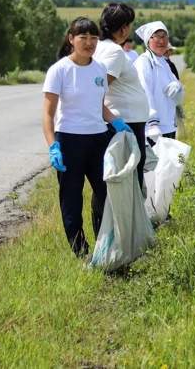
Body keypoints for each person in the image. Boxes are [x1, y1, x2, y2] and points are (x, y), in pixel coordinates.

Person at [42, 17, 133, 257]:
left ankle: (105, 246)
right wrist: (54, 147)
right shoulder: (59, 70)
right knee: (71, 199)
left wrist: (116, 121)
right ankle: (81, 252)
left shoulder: (99, 69)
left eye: (93, 38)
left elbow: (100, 105)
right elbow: (48, 114)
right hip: (69, 140)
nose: (89, 43)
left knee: (106, 194)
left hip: (98, 140)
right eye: (83, 37)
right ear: (71, 39)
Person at [93, 2, 149, 190]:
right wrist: (110, 117)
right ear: (123, 27)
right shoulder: (114, 52)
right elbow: (97, 89)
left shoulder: (102, 47)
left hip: (127, 119)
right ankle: (125, 220)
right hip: (126, 122)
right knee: (129, 179)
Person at [135, 21, 182, 142]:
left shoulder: (163, 62)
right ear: (148, 40)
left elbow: (176, 93)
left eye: (164, 36)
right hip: (153, 129)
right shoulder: (144, 62)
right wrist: (152, 122)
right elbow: (144, 91)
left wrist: (178, 88)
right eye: (157, 36)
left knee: (171, 161)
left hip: (168, 125)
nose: (162, 41)